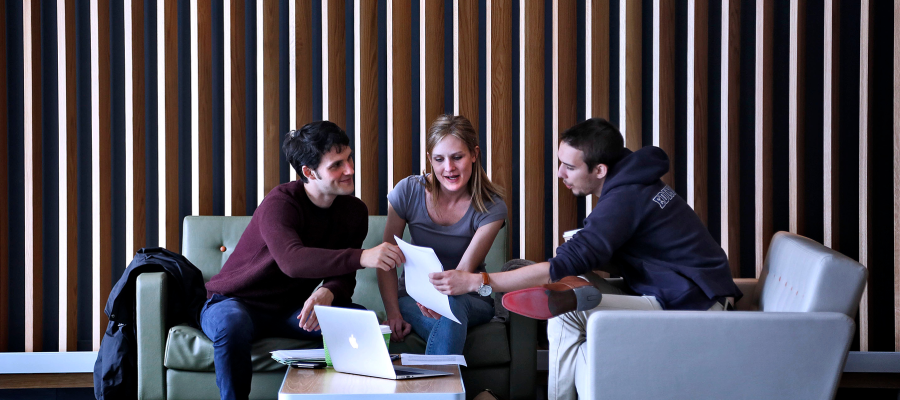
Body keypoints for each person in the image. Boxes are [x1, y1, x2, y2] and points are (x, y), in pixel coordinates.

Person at [427, 118, 742, 399]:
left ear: (600, 170)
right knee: (565, 283)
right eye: (560, 161)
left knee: (565, 309)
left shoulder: (623, 199)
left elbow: (563, 263)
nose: (560, 173)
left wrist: (478, 280)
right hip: (680, 287)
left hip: (691, 304)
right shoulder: (635, 181)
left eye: (570, 166)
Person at [201, 121, 405, 400]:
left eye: (349, 159)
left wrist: (327, 291)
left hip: (290, 311)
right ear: (308, 172)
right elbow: (292, 261)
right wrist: (363, 257)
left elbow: (344, 277)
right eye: (336, 165)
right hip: (235, 301)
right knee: (232, 324)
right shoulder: (280, 203)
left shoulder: (354, 212)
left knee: (361, 321)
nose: (350, 170)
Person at [376, 114, 508, 355]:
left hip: (470, 296)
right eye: (439, 159)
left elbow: (462, 275)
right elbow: (385, 260)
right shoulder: (407, 191)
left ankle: (432, 393)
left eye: (458, 157)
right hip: (414, 297)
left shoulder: (492, 206)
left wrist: (440, 303)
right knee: (450, 317)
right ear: (430, 159)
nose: (449, 168)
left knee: (452, 306)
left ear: (474, 154)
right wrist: (393, 312)